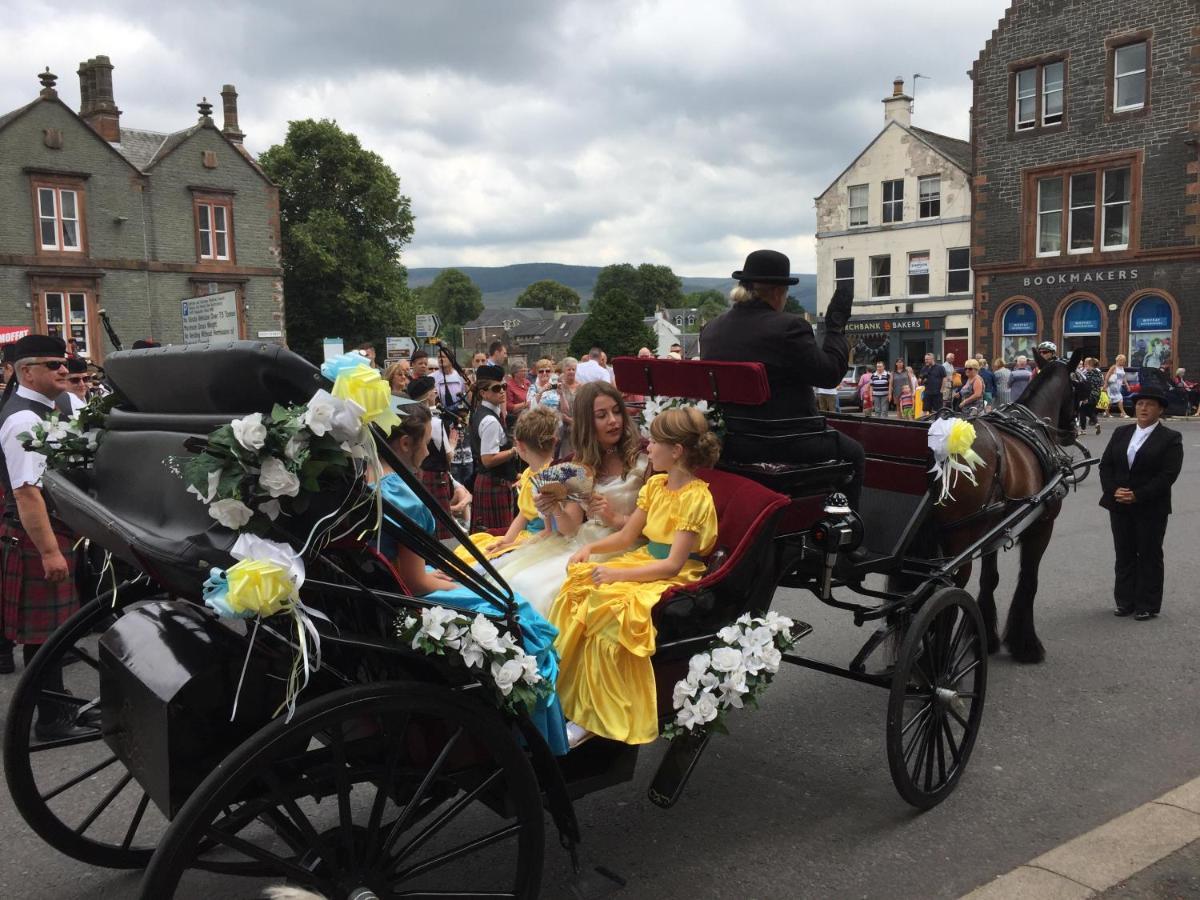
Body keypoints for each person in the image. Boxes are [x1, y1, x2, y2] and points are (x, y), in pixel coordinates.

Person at [375, 402, 568, 754]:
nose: (430, 450)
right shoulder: (406, 498)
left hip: (392, 585)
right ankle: (538, 738)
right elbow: (418, 583)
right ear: (405, 443)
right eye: (426, 442)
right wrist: (455, 584)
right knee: (523, 617)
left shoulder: (373, 482)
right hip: (412, 589)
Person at [549, 407, 720, 746]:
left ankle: (597, 714)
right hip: (644, 557)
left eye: (655, 442)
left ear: (677, 451)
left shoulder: (696, 497)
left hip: (672, 570)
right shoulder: (656, 485)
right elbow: (627, 537)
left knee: (610, 609)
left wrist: (613, 573)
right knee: (576, 586)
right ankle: (568, 697)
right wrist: (591, 551)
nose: (648, 448)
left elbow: (672, 565)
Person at [699, 249, 864, 508]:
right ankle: (850, 535)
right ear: (777, 292)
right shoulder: (788, 327)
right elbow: (830, 375)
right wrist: (835, 327)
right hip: (785, 442)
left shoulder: (711, 329)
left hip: (732, 442)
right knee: (855, 453)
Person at [488, 381, 649, 616]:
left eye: (616, 411)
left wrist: (613, 518)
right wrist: (554, 509)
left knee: (542, 591)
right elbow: (570, 529)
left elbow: (652, 528)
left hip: (626, 549)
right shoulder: (578, 465)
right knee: (517, 581)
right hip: (580, 544)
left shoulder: (645, 460)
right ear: (586, 422)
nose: (613, 421)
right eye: (601, 415)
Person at [0, 335, 83, 738]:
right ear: (26, 371)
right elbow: (26, 491)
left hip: (51, 529)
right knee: (45, 636)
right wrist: (50, 551)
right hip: (39, 534)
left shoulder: (44, 409)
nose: (64, 369)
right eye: (53, 364)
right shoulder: (23, 420)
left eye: (63, 362)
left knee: (51, 634)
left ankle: (57, 705)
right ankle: (52, 717)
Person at [1098, 384, 1183, 621]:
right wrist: (1115, 490)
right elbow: (1106, 465)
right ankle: (1125, 601)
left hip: (1150, 506)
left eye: (1150, 405)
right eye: (1140, 404)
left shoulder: (1171, 438)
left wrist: (1137, 494)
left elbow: (1168, 475)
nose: (1143, 408)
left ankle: (1147, 604)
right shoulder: (1121, 432)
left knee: (1149, 553)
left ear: (1160, 410)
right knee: (1123, 553)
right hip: (1119, 504)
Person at [457, 405, 560, 564]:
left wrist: (515, 545)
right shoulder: (528, 474)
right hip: (530, 537)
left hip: (543, 543)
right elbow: (523, 515)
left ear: (519, 445)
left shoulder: (547, 478)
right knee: (481, 552)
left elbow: (549, 531)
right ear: (554, 441)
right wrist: (507, 540)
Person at [407, 375, 469, 539]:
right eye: (432, 390)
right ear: (428, 395)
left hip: (420, 475)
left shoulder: (412, 419)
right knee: (443, 528)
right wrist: (453, 444)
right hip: (436, 477)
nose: (435, 391)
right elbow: (448, 456)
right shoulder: (434, 422)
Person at [467, 365, 519, 531]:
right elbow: (488, 459)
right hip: (493, 484)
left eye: (504, 386)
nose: (502, 391)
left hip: (491, 482)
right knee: (497, 539)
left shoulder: (485, 412)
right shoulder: (490, 421)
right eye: (496, 388)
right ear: (483, 393)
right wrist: (514, 451)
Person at [556, 357, 579, 458]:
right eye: (569, 369)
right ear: (564, 371)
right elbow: (557, 409)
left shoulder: (581, 387)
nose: (571, 372)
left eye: (573, 369)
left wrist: (573, 421)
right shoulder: (558, 387)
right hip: (563, 430)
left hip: (577, 427)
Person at [505, 361, 530, 429]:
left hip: (530, 415)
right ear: (515, 373)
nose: (525, 373)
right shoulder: (509, 386)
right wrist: (525, 404)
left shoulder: (527, 383)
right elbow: (509, 407)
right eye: (522, 371)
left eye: (526, 370)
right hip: (518, 419)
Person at [1105, 355, 1130, 419]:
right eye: (1123, 361)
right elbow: (1107, 376)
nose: (1124, 362)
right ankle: (1122, 413)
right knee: (1116, 399)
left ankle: (1107, 412)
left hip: (1118, 386)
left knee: (1115, 399)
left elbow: (1123, 377)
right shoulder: (1113, 367)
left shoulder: (1122, 368)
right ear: (1119, 360)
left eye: (1124, 361)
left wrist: (1127, 385)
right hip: (1112, 386)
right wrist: (1105, 385)